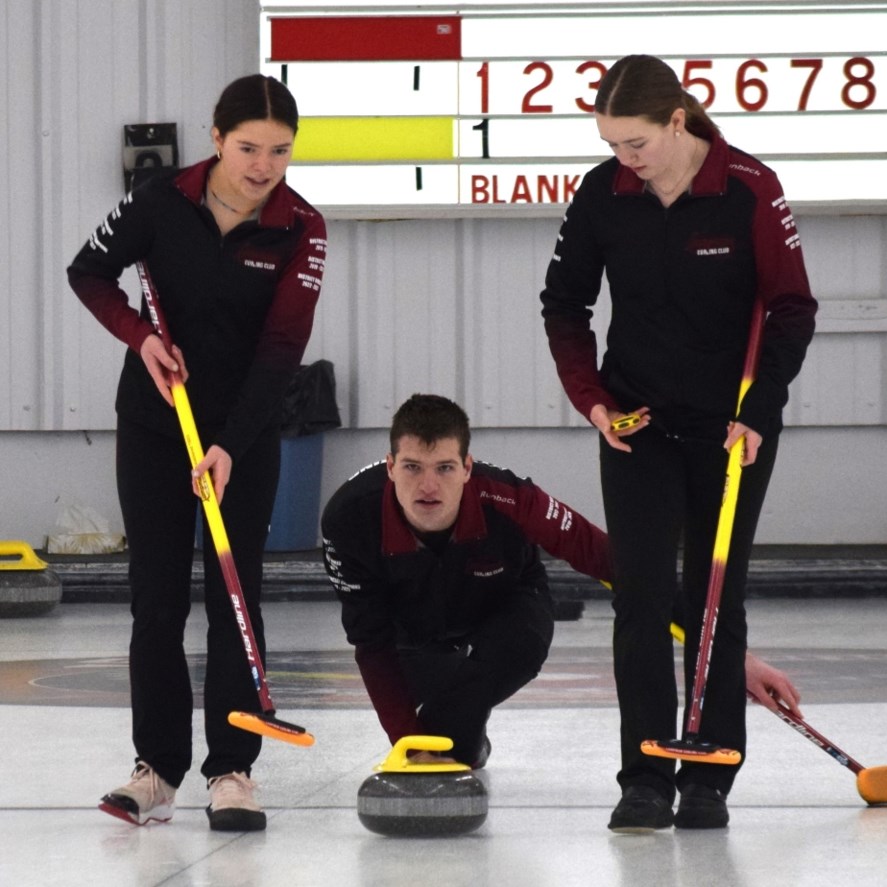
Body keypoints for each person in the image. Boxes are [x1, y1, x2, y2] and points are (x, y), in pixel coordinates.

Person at [540, 55, 817, 831]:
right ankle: (645, 775)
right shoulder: (604, 193)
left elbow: (792, 308)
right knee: (642, 597)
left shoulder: (748, 189)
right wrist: (593, 402)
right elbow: (564, 307)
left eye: (635, 143)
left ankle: (709, 773)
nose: (623, 159)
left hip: (733, 430)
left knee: (714, 601)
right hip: (637, 426)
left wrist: (757, 412)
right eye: (611, 143)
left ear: (676, 121)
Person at [67, 74, 327, 831]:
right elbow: (89, 272)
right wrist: (140, 335)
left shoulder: (299, 226)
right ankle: (157, 769)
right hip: (155, 424)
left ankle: (233, 770)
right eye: (248, 148)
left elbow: (282, 350)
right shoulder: (160, 201)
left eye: (280, 151)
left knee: (234, 595)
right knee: (157, 598)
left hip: (241, 435)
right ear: (217, 138)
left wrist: (228, 445)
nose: (263, 166)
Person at [320, 394, 802, 769]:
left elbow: (619, 565)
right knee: (443, 734)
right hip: (415, 631)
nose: (429, 486)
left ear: (467, 468)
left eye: (445, 468)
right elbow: (371, 642)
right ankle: (462, 731)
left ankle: (456, 721)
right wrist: (408, 743)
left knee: (457, 711)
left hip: (506, 610)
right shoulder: (347, 519)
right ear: (390, 467)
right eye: (412, 468)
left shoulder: (510, 498)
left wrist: (729, 656)